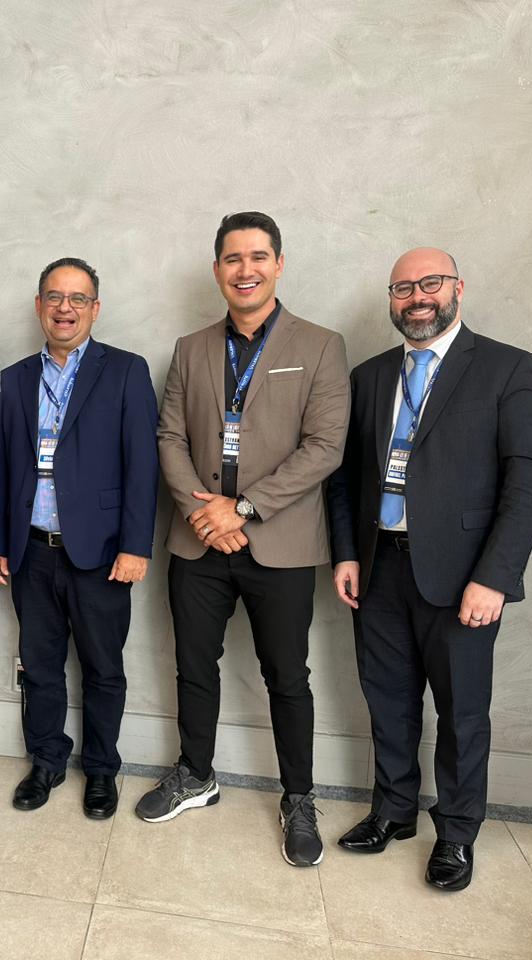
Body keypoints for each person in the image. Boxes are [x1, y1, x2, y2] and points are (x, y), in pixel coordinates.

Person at [326, 248, 532, 892]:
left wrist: (495, 577)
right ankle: (393, 811)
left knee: (461, 714)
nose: (417, 297)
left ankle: (455, 832)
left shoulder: (508, 368)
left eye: (431, 283)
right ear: (391, 298)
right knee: (388, 700)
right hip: (379, 570)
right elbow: (343, 478)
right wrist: (346, 553)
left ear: (458, 287)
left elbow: (529, 481)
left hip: (464, 579)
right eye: (403, 288)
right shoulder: (370, 376)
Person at [137, 211, 349, 869]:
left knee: (287, 676)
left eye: (258, 257)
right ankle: (196, 774)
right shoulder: (191, 348)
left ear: (278, 265)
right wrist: (206, 514)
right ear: (217, 270)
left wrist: (246, 510)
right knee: (193, 666)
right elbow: (170, 436)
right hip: (198, 541)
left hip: (279, 543)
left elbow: (325, 447)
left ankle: (299, 798)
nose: (245, 269)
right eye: (233, 258)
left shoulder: (321, 346)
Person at [0, 257, 158, 819]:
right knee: (39, 665)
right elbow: (0, 466)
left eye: (78, 298)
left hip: (102, 553)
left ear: (95, 308)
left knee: (103, 668)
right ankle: (46, 761)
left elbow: (143, 465)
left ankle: (101, 769)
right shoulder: (13, 379)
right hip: (31, 548)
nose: (65, 308)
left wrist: (136, 546)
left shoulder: (125, 370)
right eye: (55, 298)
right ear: (39, 307)